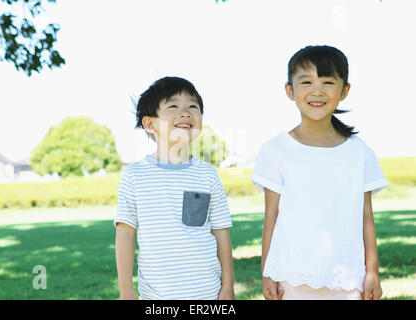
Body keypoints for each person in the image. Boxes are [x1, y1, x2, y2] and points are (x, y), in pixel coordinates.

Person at [250, 45, 389, 300]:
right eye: (306, 81)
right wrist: (267, 271)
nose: (317, 91)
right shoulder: (275, 150)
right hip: (291, 277)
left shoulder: (359, 152)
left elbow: (366, 216)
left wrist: (372, 272)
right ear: (289, 90)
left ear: (344, 91)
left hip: (348, 280)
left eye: (328, 82)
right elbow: (272, 215)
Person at [114, 76, 235, 300]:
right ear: (149, 123)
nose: (186, 112)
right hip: (157, 296)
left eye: (193, 106)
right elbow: (124, 234)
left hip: (207, 293)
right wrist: (126, 290)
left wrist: (227, 286)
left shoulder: (208, 175)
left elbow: (221, 233)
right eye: (173, 106)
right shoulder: (134, 176)